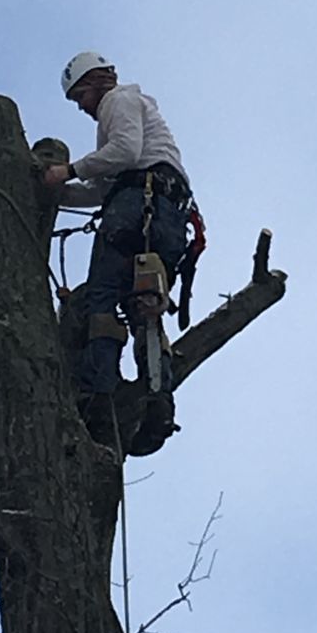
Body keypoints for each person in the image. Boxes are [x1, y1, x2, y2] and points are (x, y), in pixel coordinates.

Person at [44, 51, 193, 451]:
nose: (82, 108)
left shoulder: (118, 100)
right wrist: (57, 195)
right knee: (145, 303)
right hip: (160, 213)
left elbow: (125, 152)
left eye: (79, 97)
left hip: (137, 207)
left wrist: (67, 171)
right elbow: (105, 187)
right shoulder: (139, 117)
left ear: (93, 83)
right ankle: (158, 402)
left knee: (102, 300)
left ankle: (99, 397)